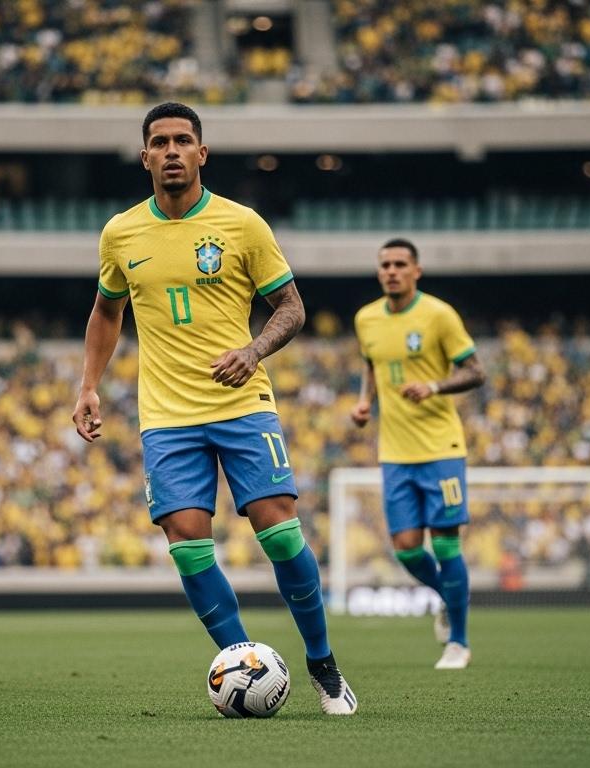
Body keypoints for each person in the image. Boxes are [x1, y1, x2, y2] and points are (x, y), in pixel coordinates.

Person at [72, 102, 357, 715]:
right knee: (188, 545)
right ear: (144, 155)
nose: (171, 151)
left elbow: (291, 307)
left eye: (182, 141)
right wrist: (88, 385)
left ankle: (323, 664)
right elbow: (106, 311)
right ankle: (245, 667)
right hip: (167, 417)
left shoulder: (242, 225)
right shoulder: (120, 233)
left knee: (279, 532)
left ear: (202, 153)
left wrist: (254, 351)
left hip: (241, 405)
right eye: (159, 142)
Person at [350, 238, 485, 670]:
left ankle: (459, 643)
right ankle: (449, 595)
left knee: (445, 544)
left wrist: (435, 386)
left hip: (441, 447)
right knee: (407, 549)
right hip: (394, 451)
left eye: (400, 264)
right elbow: (371, 364)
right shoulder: (366, 318)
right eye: (385, 264)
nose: (391, 271)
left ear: (416, 271)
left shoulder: (438, 315)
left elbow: (475, 371)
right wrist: (365, 401)